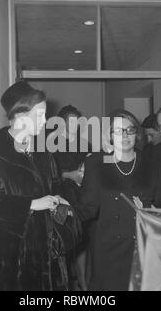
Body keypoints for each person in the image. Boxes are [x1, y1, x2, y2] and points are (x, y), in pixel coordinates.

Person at [0, 81, 81, 291]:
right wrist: (32, 204)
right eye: (39, 114)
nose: (46, 120)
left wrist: (60, 202)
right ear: (20, 116)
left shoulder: (44, 153)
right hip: (9, 262)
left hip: (46, 257)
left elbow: (56, 187)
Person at [75, 109, 161, 291]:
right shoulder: (96, 163)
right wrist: (64, 212)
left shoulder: (152, 165)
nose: (124, 135)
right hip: (107, 248)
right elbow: (88, 207)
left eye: (130, 130)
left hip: (142, 247)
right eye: (118, 130)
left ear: (137, 134)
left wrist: (147, 208)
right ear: (109, 135)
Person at [48, 105, 92, 291]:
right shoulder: (50, 145)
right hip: (61, 198)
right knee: (63, 241)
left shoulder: (85, 144)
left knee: (81, 240)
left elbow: (92, 168)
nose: (74, 125)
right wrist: (69, 175)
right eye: (70, 121)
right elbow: (49, 174)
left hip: (81, 197)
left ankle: (83, 283)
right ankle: (65, 284)